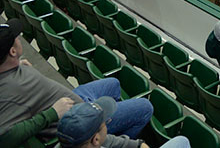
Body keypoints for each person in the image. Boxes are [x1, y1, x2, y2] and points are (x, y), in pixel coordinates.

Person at [0, 19, 153, 146]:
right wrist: (52, 113)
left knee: (113, 84)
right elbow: (5, 137)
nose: (19, 38)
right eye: (17, 38)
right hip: (76, 122)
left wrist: (18, 65)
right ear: (12, 52)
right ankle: (100, 139)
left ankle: (106, 127)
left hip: (75, 99)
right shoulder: (10, 88)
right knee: (145, 107)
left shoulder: (7, 67)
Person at [56, 97, 190, 148]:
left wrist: (140, 145)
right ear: (96, 139)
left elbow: (126, 143)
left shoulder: (75, 142)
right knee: (182, 142)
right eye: (105, 123)